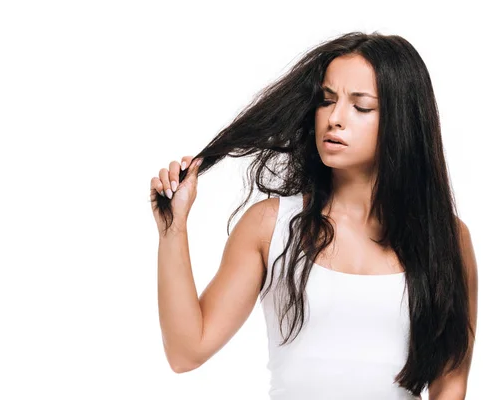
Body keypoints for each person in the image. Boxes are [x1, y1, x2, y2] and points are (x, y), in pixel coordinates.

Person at [149, 31, 478, 400]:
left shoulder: (446, 238)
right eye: (326, 100)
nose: (335, 119)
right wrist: (172, 231)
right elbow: (186, 352)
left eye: (361, 106)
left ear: (401, 121)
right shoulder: (269, 226)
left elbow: (450, 384)